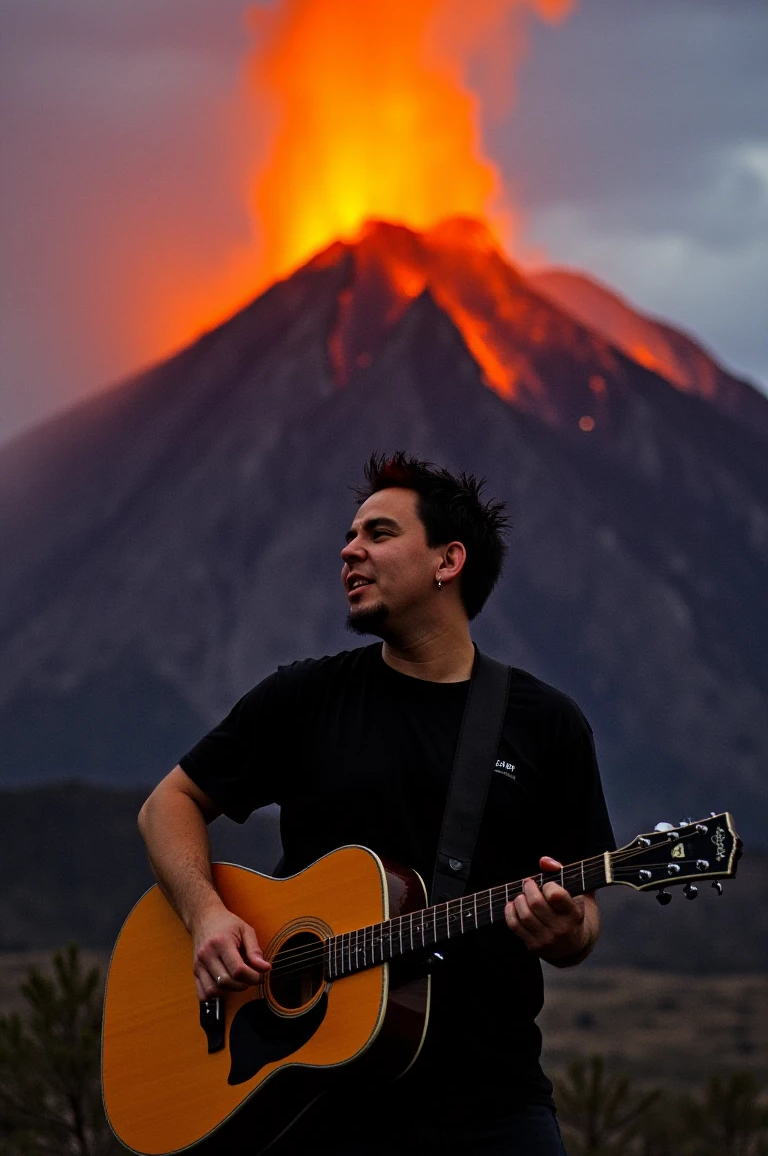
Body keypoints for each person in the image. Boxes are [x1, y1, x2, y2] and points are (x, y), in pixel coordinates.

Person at [138, 452, 615, 1154]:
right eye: (351, 534)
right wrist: (206, 914)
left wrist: (566, 931)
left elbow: (583, 917)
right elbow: (168, 803)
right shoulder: (305, 699)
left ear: (447, 562)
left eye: (379, 533)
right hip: (311, 1099)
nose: (348, 550)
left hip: (491, 1104)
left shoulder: (546, 724)